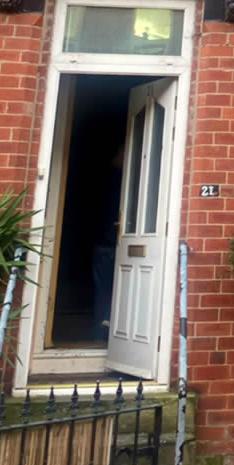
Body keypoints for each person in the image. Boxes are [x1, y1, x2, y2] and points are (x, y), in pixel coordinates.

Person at [92, 142, 124, 342]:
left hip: (107, 242)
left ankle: (101, 334)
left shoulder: (111, 180)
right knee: (107, 289)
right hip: (107, 243)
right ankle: (102, 334)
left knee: (105, 290)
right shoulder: (117, 180)